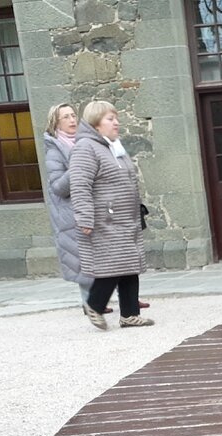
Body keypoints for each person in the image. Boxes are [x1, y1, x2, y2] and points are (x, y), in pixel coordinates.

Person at [69, 100, 151, 330]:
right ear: (96, 124)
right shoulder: (86, 147)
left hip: (125, 219)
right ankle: (94, 305)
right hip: (106, 221)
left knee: (129, 265)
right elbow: (79, 185)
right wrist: (84, 217)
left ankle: (129, 314)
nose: (116, 123)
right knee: (112, 265)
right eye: (110, 119)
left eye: (116, 118)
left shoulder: (113, 146)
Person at [42, 103, 99, 312]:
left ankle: (122, 297)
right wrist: (76, 167)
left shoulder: (83, 142)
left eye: (74, 115)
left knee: (103, 255)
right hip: (70, 214)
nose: (72, 120)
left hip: (90, 207)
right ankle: (89, 303)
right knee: (80, 259)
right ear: (56, 122)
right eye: (66, 117)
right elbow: (58, 187)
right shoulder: (55, 148)